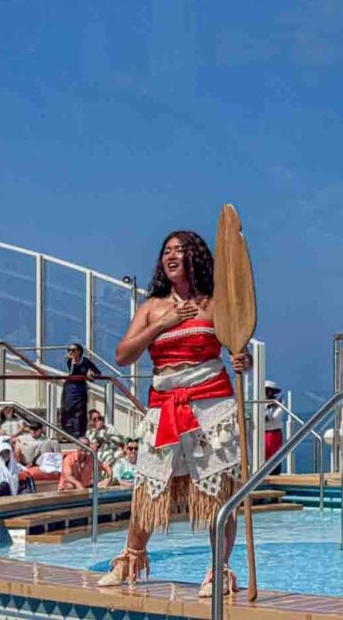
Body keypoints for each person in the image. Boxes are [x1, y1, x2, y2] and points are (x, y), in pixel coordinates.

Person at [97, 230, 253, 597]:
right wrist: (161, 325)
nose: (171, 256)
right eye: (166, 251)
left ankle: (219, 569)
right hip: (164, 407)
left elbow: (236, 345)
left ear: (194, 257)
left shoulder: (215, 304)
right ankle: (131, 560)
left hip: (211, 407)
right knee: (148, 488)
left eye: (180, 251)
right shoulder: (152, 307)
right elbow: (123, 355)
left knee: (220, 495)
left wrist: (240, 359)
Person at [61, 343, 101, 438]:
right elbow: (72, 373)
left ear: (79, 351)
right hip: (70, 387)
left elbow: (98, 372)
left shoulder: (86, 361)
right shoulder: (69, 361)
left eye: (73, 350)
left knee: (80, 409)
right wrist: (73, 362)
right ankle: (68, 430)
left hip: (81, 387)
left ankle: (79, 432)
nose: (70, 352)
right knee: (68, 408)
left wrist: (91, 374)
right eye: (69, 350)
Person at [264, 381, 284, 474]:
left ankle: (275, 473)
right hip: (262, 432)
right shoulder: (260, 403)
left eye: (270, 391)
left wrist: (269, 407)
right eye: (266, 391)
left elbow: (275, 418)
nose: (268, 393)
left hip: (274, 432)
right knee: (263, 454)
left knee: (274, 455)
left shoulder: (279, 403)